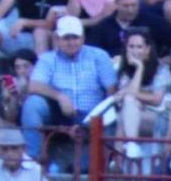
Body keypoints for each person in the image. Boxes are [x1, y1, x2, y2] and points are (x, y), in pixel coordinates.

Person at [21, 15, 117, 168]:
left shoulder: (99, 56)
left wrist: (97, 117)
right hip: (60, 114)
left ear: (83, 38)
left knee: (113, 114)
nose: (71, 42)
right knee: (33, 104)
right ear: (57, 39)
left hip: (92, 115)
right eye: (66, 38)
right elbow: (34, 85)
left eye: (75, 37)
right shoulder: (48, 59)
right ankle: (33, 160)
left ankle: (103, 162)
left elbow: (112, 92)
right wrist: (60, 96)